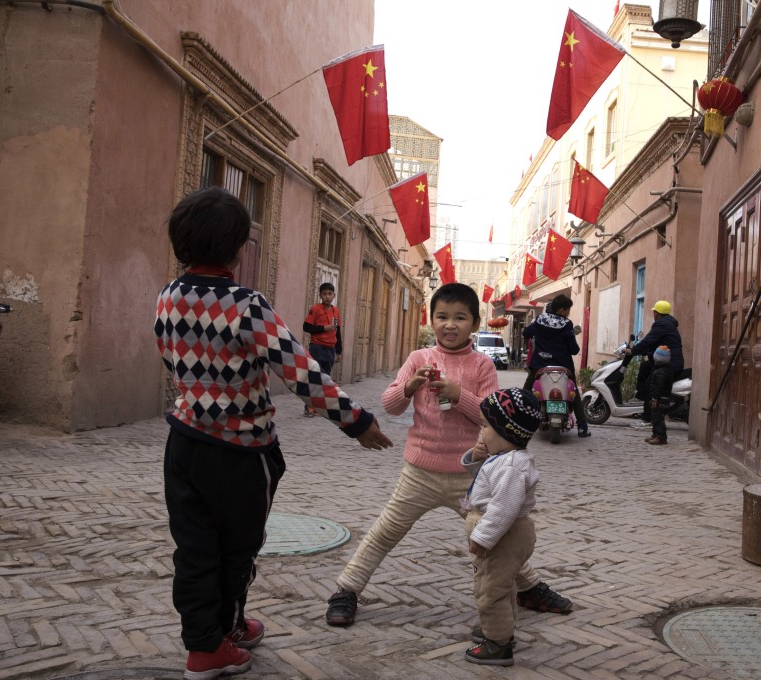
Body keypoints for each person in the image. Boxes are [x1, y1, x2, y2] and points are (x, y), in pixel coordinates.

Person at [155, 187, 393, 680]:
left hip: (183, 444)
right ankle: (218, 640)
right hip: (241, 453)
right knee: (237, 548)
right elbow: (300, 371)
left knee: (195, 547)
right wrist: (356, 421)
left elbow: (174, 362)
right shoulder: (246, 304)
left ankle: (207, 639)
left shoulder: (168, 298)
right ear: (238, 247)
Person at [325, 282, 573, 628]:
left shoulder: (483, 365)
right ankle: (346, 590)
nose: (449, 325)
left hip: (472, 477)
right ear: (432, 320)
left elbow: (494, 417)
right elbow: (390, 405)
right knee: (385, 531)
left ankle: (529, 587)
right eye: (442, 317)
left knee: (496, 536)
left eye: (460, 317)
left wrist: (458, 394)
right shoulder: (417, 359)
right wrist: (409, 386)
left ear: (474, 322)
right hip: (419, 472)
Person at [461, 388, 544, 667]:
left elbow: (503, 508)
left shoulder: (511, 466)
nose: (481, 432)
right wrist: (477, 456)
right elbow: (484, 484)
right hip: (503, 534)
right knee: (503, 584)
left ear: (505, 430)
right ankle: (500, 630)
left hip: (503, 536)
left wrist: (483, 538)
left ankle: (498, 644)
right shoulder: (504, 458)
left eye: (485, 426)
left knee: (489, 590)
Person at [521, 294, 590, 437]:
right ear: (561, 310)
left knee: (527, 391)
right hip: (562, 365)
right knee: (574, 392)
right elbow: (574, 349)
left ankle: (519, 420)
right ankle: (582, 427)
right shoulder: (567, 324)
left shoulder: (540, 320)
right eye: (567, 310)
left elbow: (525, 333)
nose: (568, 313)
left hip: (539, 364)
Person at [619, 300, 684, 443]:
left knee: (653, 391)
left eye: (654, 312)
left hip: (668, 365)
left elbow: (649, 340)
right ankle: (654, 430)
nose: (653, 314)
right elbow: (653, 343)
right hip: (667, 361)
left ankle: (656, 429)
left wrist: (633, 350)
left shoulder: (661, 325)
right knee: (644, 370)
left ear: (657, 313)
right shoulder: (668, 324)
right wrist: (643, 352)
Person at [302, 282, 342, 417]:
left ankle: (320, 407)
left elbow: (337, 331)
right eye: (324, 294)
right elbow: (306, 327)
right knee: (315, 377)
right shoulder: (315, 309)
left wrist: (339, 351)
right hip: (317, 347)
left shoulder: (336, 311)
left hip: (330, 349)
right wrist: (324, 328)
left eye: (330, 294)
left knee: (325, 379)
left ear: (334, 295)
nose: (327, 296)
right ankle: (309, 407)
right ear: (320, 295)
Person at [646, 346, 675, 445]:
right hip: (663, 400)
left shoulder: (661, 373)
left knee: (658, 419)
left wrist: (654, 399)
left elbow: (658, 388)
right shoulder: (667, 370)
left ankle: (661, 437)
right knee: (655, 418)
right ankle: (655, 434)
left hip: (660, 400)